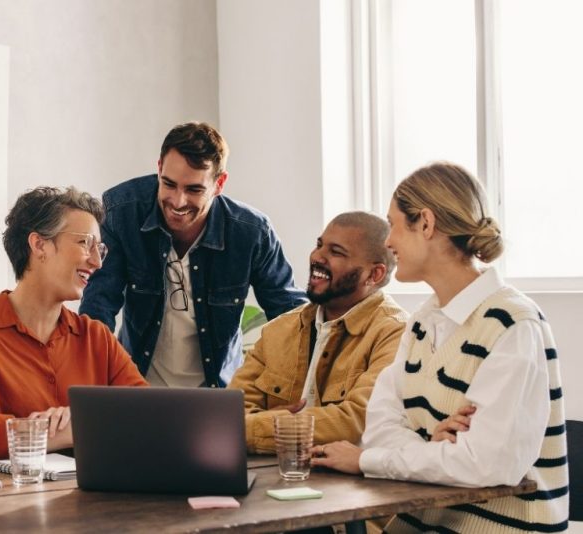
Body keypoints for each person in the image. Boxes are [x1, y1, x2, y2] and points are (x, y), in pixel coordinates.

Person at [311, 163, 568, 532]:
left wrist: (368, 460)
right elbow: (379, 428)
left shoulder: (513, 324)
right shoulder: (422, 322)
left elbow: (486, 465)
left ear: (426, 224)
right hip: (421, 523)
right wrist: (432, 450)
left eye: (394, 224)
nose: (388, 242)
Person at [79, 122, 307, 388]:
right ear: (159, 168)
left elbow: (291, 317)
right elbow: (98, 306)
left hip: (217, 392)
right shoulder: (122, 211)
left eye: (194, 190)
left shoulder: (252, 233)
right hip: (138, 387)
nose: (178, 201)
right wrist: (95, 387)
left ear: (219, 184)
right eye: (169, 184)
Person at [0, 186, 147, 464]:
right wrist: (58, 432)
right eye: (85, 243)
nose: (97, 262)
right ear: (39, 245)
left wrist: (79, 423)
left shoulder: (96, 338)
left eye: (100, 249)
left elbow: (147, 417)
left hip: (77, 491)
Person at [229, 211, 407, 453]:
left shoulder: (395, 332)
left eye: (336, 252)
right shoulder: (279, 329)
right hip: (273, 468)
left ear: (374, 274)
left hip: (350, 476)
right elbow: (232, 412)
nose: (317, 257)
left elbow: (356, 420)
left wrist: (270, 425)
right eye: (319, 245)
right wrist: (269, 425)